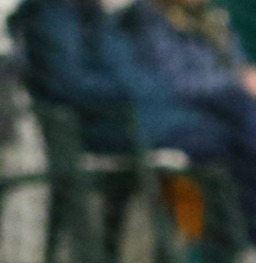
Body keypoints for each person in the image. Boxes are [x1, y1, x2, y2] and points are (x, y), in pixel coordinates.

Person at [14, 0, 256, 246]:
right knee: (225, 138)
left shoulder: (90, 14)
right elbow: (71, 84)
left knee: (234, 131)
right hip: (107, 126)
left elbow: (130, 70)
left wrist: (144, 87)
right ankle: (230, 245)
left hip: (137, 116)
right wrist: (138, 89)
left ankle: (234, 243)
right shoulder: (54, 13)